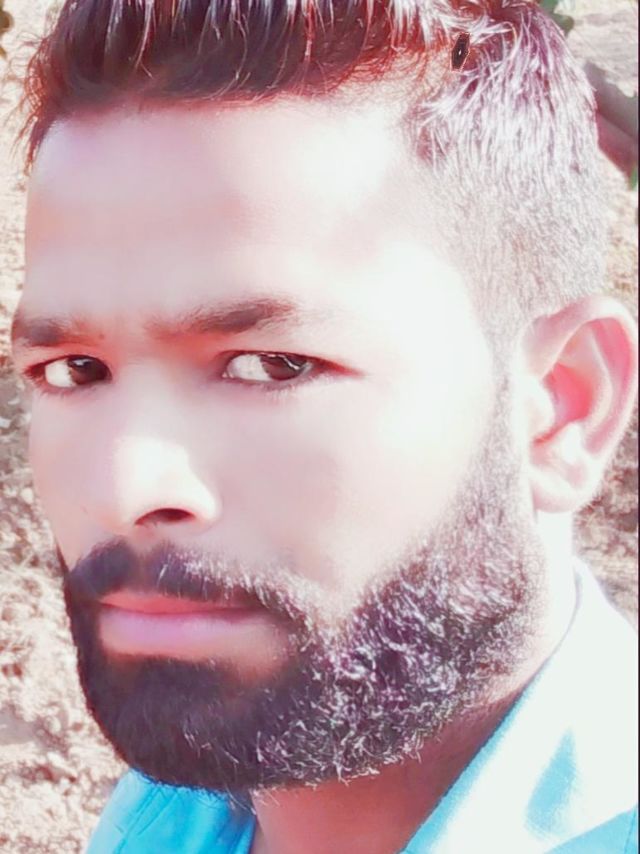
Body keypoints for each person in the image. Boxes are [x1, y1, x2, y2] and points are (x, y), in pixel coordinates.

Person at [9, 0, 637, 851]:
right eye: (74, 370)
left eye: (272, 365)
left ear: (563, 407)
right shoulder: (171, 814)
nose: (126, 489)